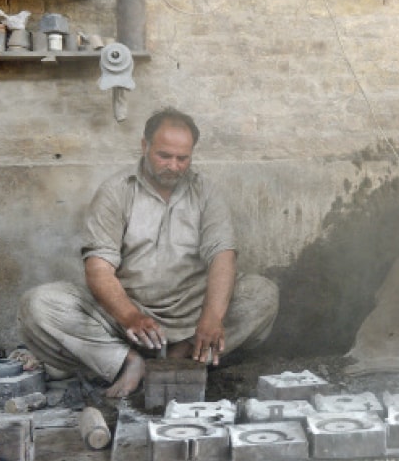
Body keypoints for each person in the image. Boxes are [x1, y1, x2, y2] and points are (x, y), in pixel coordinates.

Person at [17, 107, 279, 397]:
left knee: (262, 294)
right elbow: (98, 269)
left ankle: (180, 359)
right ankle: (128, 363)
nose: (174, 166)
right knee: (39, 304)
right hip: (125, 319)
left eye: (183, 158)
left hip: (191, 317)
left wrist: (212, 315)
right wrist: (130, 316)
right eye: (164, 156)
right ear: (144, 146)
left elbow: (222, 256)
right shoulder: (116, 191)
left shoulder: (206, 192)